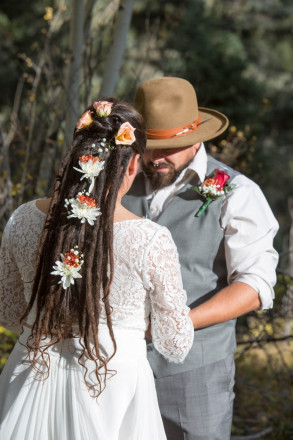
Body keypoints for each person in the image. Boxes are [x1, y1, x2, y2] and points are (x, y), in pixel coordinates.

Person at [0, 98, 194, 440]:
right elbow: (175, 344)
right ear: (133, 163)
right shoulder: (150, 240)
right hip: (110, 385)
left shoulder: (22, 220)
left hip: (30, 371)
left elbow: (10, 312)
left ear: (77, 157)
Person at [122, 77, 279, 440]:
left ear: (195, 139)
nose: (156, 158)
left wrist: (176, 324)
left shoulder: (240, 194)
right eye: (149, 146)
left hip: (195, 374)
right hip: (118, 369)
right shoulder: (120, 184)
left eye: (170, 146)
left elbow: (255, 286)